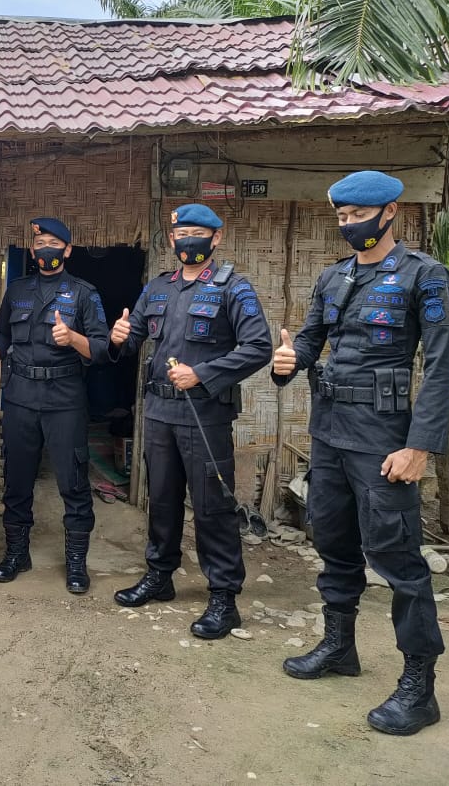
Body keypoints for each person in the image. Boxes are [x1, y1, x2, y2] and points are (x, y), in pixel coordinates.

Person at [272, 171, 449, 736]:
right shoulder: (333, 276)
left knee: (397, 557)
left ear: (390, 212)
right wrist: (290, 361)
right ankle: (338, 648)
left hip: (384, 439)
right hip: (329, 433)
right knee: (333, 543)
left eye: (357, 215)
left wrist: (420, 446)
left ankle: (419, 687)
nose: (347, 224)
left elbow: (442, 365)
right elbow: (309, 340)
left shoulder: (424, 276)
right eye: (342, 216)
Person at [108, 203, 272, 639]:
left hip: (205, 414)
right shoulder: (156, 289)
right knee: (160, 500)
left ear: (216, 238)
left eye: (199, 232)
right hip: (159, 414)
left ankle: (223, 597)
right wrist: (119, 337)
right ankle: (160, 576)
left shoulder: (233, 288)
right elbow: (129, 344)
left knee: (211, 507)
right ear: (172, 238)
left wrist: (203, 373)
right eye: (181, 233)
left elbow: (259, 348)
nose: (188, 240)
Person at [0, 217, 109, 594]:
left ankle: (75, 563)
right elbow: (3, 332)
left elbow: (100, 349)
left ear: (68, 250)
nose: (46, 249)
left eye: (55, 243)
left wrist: (71, 338)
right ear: (33, 251)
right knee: (17, 478)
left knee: (72, 480)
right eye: (40, 244)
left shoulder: (84, 293)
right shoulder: (17, 290)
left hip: (64, 398)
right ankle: (17, 553)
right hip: (19, 395)